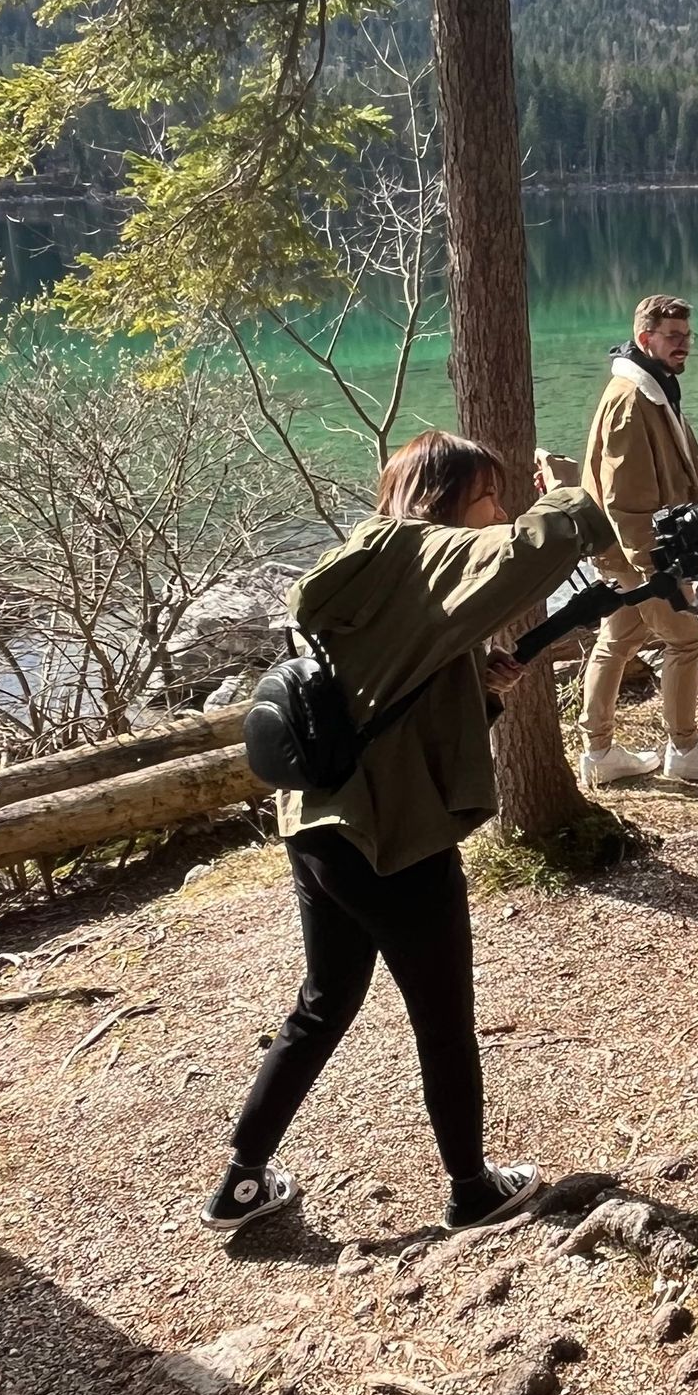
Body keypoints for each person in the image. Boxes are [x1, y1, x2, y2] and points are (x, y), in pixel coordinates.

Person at [201, 432, 612, 1237]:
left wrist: (478, 691)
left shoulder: (362, 559)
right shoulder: (425, 552)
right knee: (443, 1016)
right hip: (393, 839)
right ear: (446, 499)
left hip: (318, 826)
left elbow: (383, 698)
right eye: (487, 496)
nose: (497, 511)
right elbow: (537, 548)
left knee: (324, 1002)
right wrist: (569, 488)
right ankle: (471, 1189)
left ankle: (240, 1182)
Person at [576, 293, 698, 788]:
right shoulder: (631, 400)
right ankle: (684, 749)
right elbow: (624, 497)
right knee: (686, 639)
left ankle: (599, 753)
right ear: (644, 338)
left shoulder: (655, 388)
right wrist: (656, 569)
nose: (683, 345)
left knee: (618, 639)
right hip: (638, 552)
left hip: (634, 549)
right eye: (673, 336)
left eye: (687, 335)